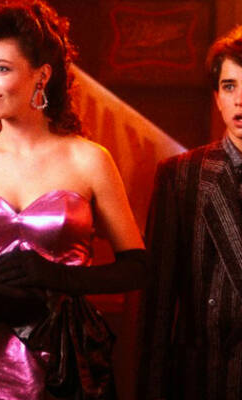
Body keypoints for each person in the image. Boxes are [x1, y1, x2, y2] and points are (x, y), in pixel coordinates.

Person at [0, 0, 147, 398]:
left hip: (63, 352)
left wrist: (57, 277)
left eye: (1, 69)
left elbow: (136, 268)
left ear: (42, 75)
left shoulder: (89, 159)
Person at [137, 25, 242, 400]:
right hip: (206, 380)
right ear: (216, 97)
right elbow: (157, 310)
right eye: (229, 86)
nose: (240, 100)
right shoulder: (182, 176)